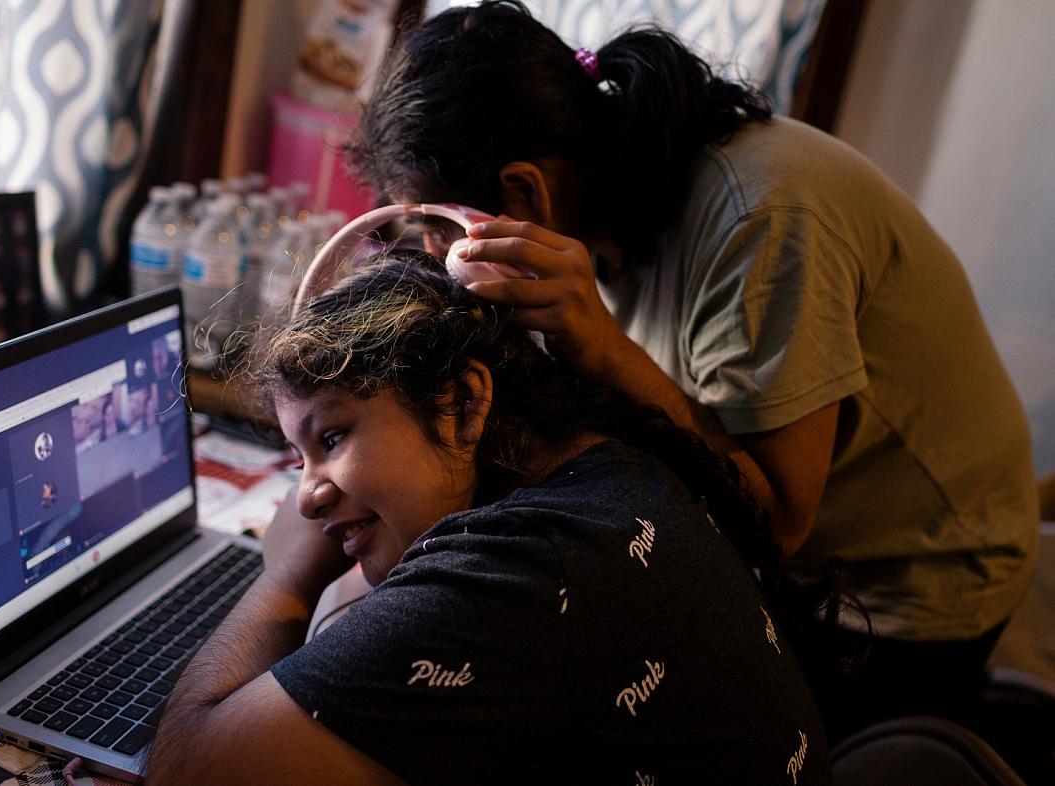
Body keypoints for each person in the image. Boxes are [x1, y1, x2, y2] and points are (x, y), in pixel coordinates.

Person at [342, 0, 1038, 738]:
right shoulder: (601, 204)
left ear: (522, 193)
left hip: (911, 580)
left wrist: (603, 348)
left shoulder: (761, 216)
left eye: (436, 227)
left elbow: (778, 521)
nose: (435, 254)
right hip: (806, 559)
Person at [147, 256, 839, 785]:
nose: (306, 496)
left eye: (332, 438)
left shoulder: (525, 569)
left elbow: (188, 769)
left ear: (463, 404)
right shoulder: (607, 469)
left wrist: (290, 572)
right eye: (297, 456)